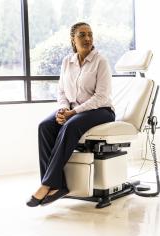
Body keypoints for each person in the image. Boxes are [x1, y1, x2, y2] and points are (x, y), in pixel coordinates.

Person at [26, 22, 115, 207]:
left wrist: (72, 113)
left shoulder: (101, 61)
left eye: (90, 34)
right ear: (73, 40)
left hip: (101, 110)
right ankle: (57, 185)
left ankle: (46, 184)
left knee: (71, 125)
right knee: (45, 126)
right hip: (73, 109)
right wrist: (62, 109)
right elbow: (62, 92)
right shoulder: (68, 61)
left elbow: (101, 97)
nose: (87, 38)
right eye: (82, 35)